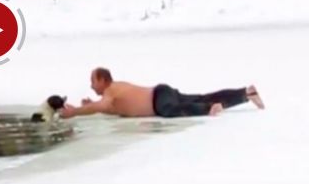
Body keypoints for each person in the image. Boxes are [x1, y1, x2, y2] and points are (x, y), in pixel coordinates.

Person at [59, 67, 265, 119]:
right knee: (202, 96)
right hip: (161, 92)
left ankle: (208, 108)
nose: (91, 87)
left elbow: (102, 106)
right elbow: (111, 108)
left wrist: (75, 111)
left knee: (169, 110)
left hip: (159, 99)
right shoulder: (113, 95)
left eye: (93, 82)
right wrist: (87, 106)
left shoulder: (111, 91)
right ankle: (245, 93)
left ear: (103, 80)